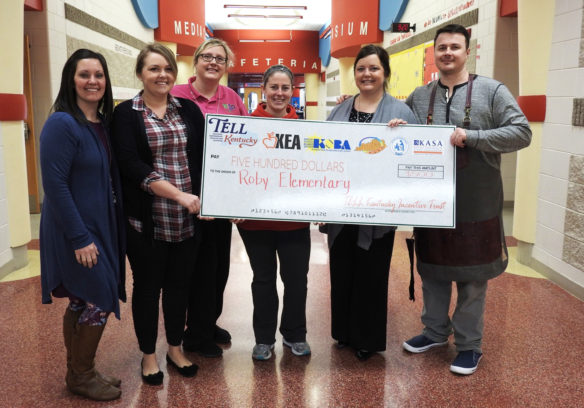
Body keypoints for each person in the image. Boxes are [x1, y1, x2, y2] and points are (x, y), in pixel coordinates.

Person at [396, 24, 531, 375]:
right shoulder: (420, 95)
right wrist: (397, 126)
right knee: (434, 271)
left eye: (455, 47)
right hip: (432, 201)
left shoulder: (492, 90)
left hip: (477, 201)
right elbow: (404, 140)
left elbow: (521, 132)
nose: (448, 53)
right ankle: (435, 331)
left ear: (467, 51)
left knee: (472, 278)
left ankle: (470, 345)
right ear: (434, 53)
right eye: (441, 47)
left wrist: (472, 136)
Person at [111, 43, 205, 385]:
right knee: (149, 289)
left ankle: (176, 348)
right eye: (153, 69)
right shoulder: (126, 114)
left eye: (167, 68)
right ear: (140, 74)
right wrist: (179, 194)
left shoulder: (188, 111)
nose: (161, 74)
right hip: (146, 223)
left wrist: (207, 200)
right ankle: (149, 356)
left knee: (180, 288)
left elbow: (206, 160)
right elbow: (131, 165)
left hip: (186, 220)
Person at [39, 49, 125, 401]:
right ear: (70, 80)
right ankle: (82, 373)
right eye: (84, 75)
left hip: (99, 226)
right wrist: (79, 237)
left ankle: (78, 372)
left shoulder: (101, 124)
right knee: (99, 297)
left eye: (98, 75)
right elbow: (55, 185)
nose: (92, 81)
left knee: (80, 300)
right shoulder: (62, 123)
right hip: (74, 230)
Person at [323, 45, 417, 361]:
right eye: (361, 68)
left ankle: (366, 338)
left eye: (374, 68)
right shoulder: (340, 110)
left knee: (371, 275)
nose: (367, 74)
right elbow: (321, 154)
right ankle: (344, 333)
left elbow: (415, 157)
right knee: (342, 271)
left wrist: (401, 140)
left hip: (378, 213)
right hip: (341, 208)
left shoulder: (401, 113)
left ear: (385, 73)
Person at [171, 38, 247, 358]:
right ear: (196, 61)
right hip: (183, 196)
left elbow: (248, 142)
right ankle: (193, 333)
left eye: (220, 58)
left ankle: (207, 322)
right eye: (207, 57)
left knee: (217, 269)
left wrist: (241, 196)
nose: (213, 62)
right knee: (191, 268)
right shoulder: (175, 95)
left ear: (227, 66)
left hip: (221, 195)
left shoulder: (231, 98)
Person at [237, 65, 312, 361]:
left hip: (293, 221)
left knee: (296, 280)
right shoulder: (245, 127)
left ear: (292, 92)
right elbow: (234, 171)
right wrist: (229, 204)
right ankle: (264, 338)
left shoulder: (306, 130)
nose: (279, 93)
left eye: (285, 88)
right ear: (264, 90)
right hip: (255, 223)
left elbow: (317, 173)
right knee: (263, 280)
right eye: (274, 88)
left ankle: (295, 334)